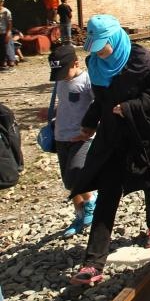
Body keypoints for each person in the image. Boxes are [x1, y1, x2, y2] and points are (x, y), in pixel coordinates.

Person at [69, 14, 150, 286]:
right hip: (112, 139)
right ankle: (92, 263)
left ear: (114, 37)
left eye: (103, 44)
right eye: (96, 45)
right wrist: (89, 124)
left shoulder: (141, 60)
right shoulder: (96, 65)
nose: (100, 50)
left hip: (143, 134)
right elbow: (101, 102)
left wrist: (130, 107)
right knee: (107, 195)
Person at [46, 45, 96, 237]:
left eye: (62, 71)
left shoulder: (86, 81)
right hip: (61, 136)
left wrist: (93, 127)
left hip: (81, 136)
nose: (60, 75)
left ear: (75, 63)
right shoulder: (60, 81)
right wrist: (50, 113)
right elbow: (65, 105)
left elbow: (97, 106)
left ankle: (91, 200)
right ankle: (80, 214)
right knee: (69, 183)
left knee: (76, 173)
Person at [0, 0, 11, 72]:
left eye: (0, 1)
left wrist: (8, 33)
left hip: (3, 32)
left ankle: (4, 64)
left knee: (3, 48)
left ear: (2, 2)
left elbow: (9, 23)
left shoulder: (6, 11)